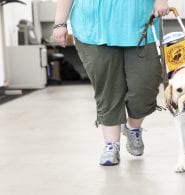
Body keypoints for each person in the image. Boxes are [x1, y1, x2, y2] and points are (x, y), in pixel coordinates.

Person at [52, 0, 169, 166]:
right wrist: (59, 24)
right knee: (107, 88)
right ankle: (111, 145)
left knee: (145, 87)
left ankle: (133, 128)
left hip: (141, 22)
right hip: (93, 26)